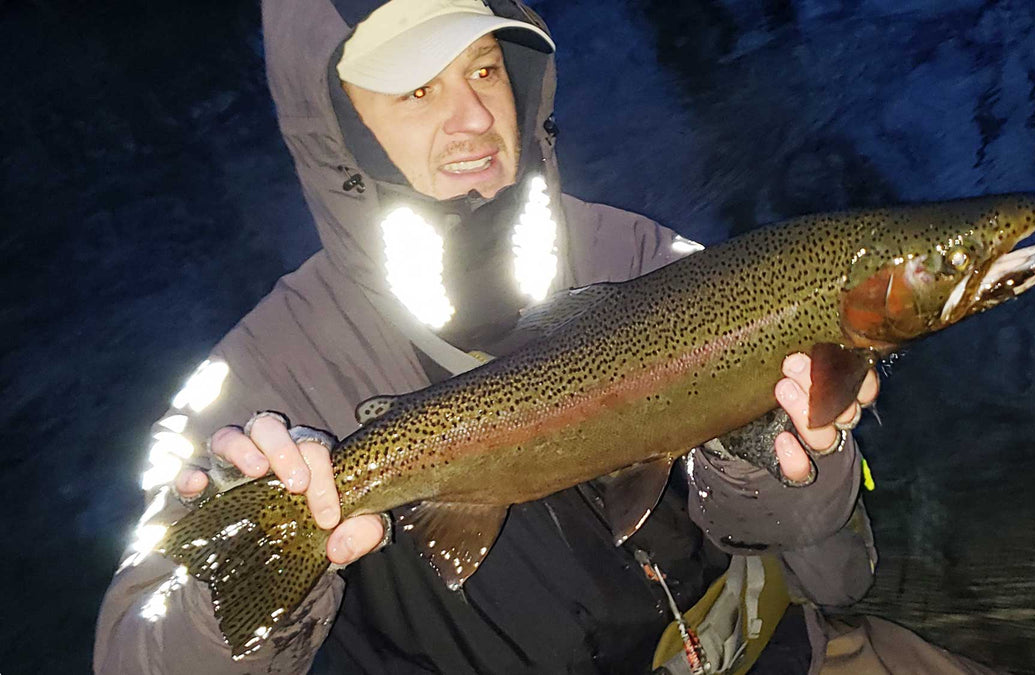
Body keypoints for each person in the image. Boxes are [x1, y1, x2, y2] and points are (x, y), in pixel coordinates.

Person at [94, 1, 987, 673]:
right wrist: (247, 583)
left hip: (769, 649)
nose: (477, 118)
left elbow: (835, 573)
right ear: (335, 128)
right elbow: (133, 647)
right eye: (417, 88)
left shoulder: (652, 260)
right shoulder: (260, 378)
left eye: (485, 70)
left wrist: (784, 464)